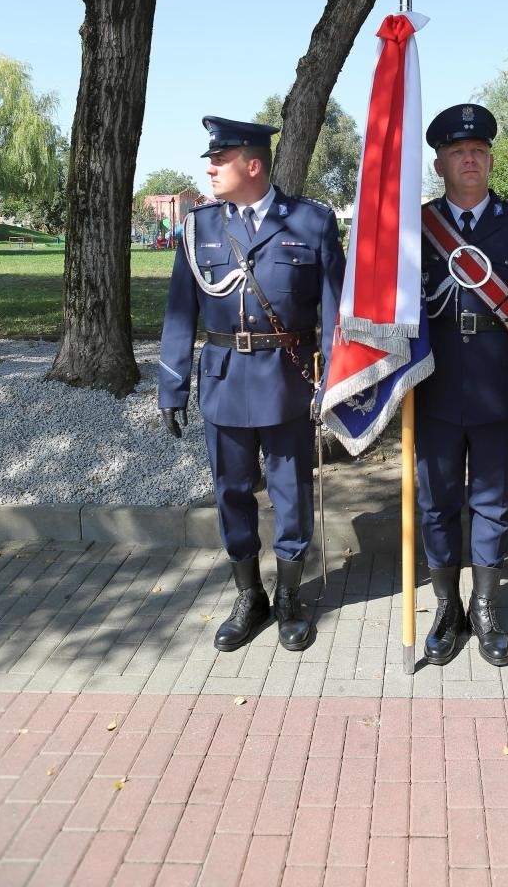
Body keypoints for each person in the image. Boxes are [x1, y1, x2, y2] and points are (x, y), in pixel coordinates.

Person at [158, 116, 345, 653]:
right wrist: (171, 385)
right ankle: (250, 596)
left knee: (291, 494)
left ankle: (289, 598)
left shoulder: (310, 223)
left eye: (221, 159)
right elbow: (179, 312)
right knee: (232, 493)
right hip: (222, 380)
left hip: (288, 382)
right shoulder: (200, 228)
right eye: (211, 160)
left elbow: (335, 311)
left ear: (253, 164)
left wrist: (333, 381)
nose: (211, 168)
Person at [415, 104, 508, 667]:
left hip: (500, 384)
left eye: (477, 151)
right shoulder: (416, 227)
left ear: (491, 160)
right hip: (434, 387)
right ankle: (447, 608)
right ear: (440, 164)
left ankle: (487, 605)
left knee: (494, 504)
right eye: (457, 152)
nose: (469, 159)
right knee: (437, 504)